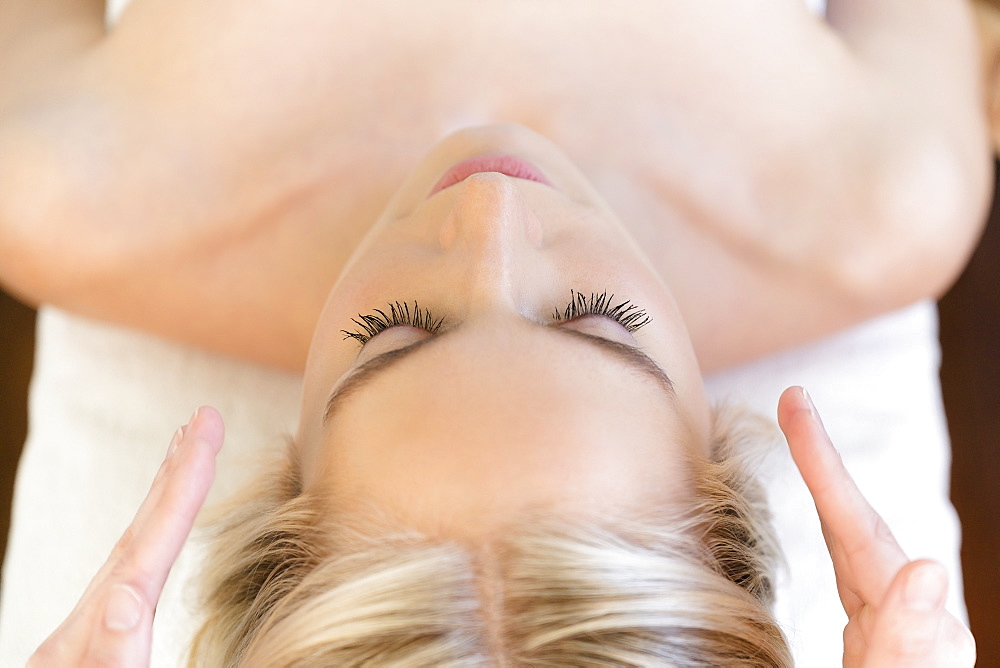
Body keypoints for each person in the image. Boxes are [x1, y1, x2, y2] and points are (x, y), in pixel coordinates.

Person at [0, 0, 989, 665]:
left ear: (277, 479)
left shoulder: (63, 179)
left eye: (394, 334)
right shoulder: (878, 195)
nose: (491, 217)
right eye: (598, 322)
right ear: (727, 473)